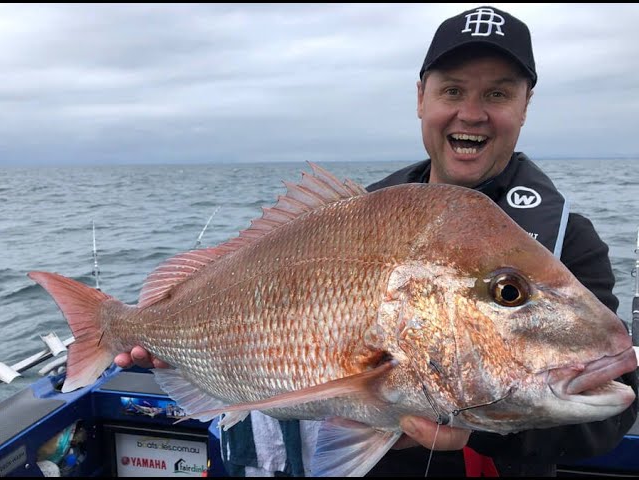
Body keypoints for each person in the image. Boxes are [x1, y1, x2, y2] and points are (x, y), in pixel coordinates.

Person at [115, 5, 638, 477]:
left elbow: (608, 420)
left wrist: (476, 432)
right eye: (452, 90)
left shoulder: (570, 238)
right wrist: (170, 343)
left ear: (525, 106)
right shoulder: (355, 213)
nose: (472, 113)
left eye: (497, 93)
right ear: (421, 98)